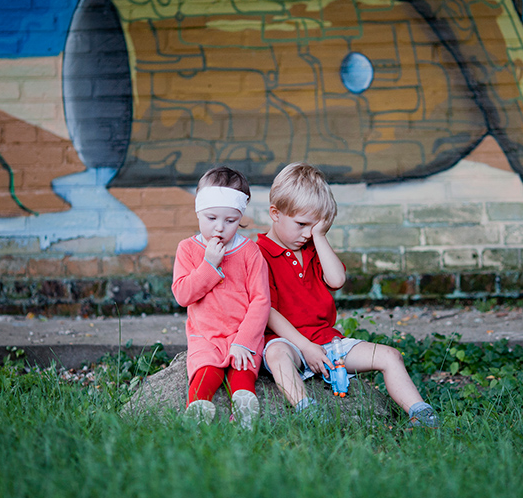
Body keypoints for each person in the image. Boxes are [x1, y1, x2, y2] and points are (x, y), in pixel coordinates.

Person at [256, 162, 439, 428]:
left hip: (326, 341)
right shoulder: (258, 254)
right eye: (301, 224)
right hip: (287, 343)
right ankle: (309, 412)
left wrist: (320, 237)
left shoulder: (312, 247)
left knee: (390, 356)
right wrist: (305, 347)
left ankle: (421, 414)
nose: (307, 234)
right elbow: (268, 312)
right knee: (276, 355)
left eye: (315, 227)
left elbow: (337, 280)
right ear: (275, 213)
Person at [172, 166, 270, 427]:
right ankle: (198, 408)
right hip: (205, 335)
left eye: (230, 220)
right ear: (198, 212)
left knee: (242, 370)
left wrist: (244, 341)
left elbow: (261, 300)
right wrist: (209, 265)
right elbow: (182, 294)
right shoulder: (188, 249)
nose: (219, 227)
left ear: (240, 218)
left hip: (241, 333)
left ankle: (244, 406)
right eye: (211, 218)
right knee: (206, 370)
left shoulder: (250, 252)